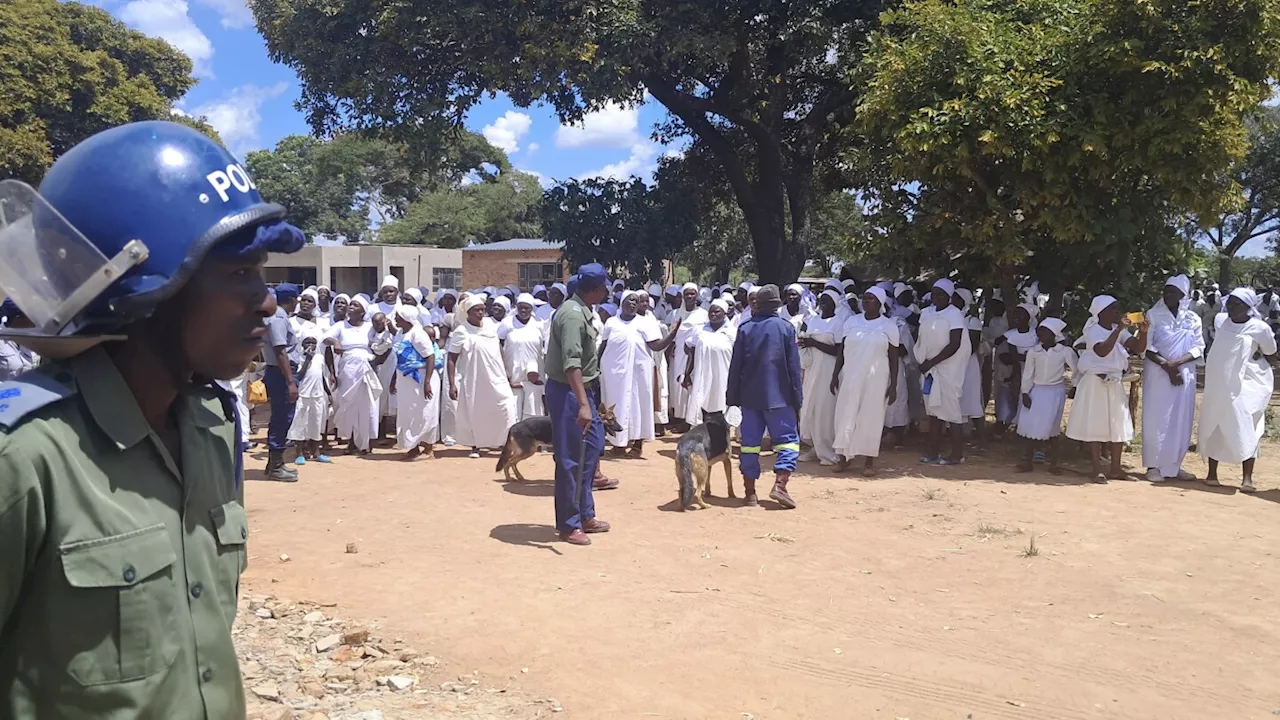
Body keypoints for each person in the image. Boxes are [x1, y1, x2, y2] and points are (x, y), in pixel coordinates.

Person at [0, 120, 304, 717]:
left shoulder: (211, 427)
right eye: (240, 273)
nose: (267, 300)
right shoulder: (27, 458)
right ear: (147, 288)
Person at [544, 264, 612, 545]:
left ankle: (585, 513)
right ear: (595, 290)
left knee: (592, 450)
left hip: (582, 392)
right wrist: (583, 405)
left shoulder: (584, 311)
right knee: (571, 459)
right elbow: (572, 365)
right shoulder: (572, 316)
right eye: (604, 286)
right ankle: (569, 524)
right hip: (570, 392)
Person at [727, 285, 803, 509]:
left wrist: (732, 398)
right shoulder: (786, 329)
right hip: (780, 398)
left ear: (758, 305)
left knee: (749, 445)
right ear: (777, 305)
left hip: (750, 399)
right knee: (788, 443)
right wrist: (797, 398)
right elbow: (793, 368)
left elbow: (735, 367)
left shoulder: (745, 329)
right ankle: (780, 485)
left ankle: (750, 494)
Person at [1199, 288, 1276, 492]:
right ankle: (1212, 474)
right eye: (1230, 303)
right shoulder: (1220, 321)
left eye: (1238, 304)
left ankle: (1247, 478)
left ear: (1248, 307)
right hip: (1219, 383)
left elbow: (1271, 353)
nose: (1232, 308)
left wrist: (1256, 355)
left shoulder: (1260, 328)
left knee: (1246, 423)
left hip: (1247, 384)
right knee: (1217, 421)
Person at [1065, 295, 1148, 481]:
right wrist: (1119, 329)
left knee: (1117, 424)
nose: (1118, 312)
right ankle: (1097, 469)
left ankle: (1116, 468)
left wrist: (1143, 332)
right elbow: (1102, 351)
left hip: (1114, 382)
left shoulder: (1117, 330)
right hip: (1095, 382)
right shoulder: (1093, 330)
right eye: (1114, 309)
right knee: (1095, 423)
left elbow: (1137, 346)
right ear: (1101, 312)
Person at [831, 287, 900, 476]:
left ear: (880, 303)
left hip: (876, 378)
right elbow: (841, 352)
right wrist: (835, 374)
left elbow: (894, 359)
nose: (866, 301)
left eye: (871, 298)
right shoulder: (852, 322)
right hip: (850, 376)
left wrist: (893, 385)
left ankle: (869, 462)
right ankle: (843, 458)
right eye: (865, 298)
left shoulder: (889, 326)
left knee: (871, 417)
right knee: (845, 414)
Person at [601, 291, 680, 457]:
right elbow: (603, 346)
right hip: (614, 374)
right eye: (629, 300)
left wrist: (672, 335)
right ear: (621, 302)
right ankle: (618, 445)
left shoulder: (645, 323)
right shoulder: (611, 323)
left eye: (635, 301)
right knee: (617, 407)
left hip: (639, 373)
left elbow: (656, 346)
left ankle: (637, 446)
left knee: (639, 406)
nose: (633, 303)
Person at [1142, 275, 1205, 482]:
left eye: (1173, 292)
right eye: (1166, 291)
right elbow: (1147, 347)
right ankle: (1153, 466)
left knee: (1180, 419)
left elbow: (1198, 347)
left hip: (1184, 374)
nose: (1168, 295)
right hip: (1158, 374)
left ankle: (1174, 465)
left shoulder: (1193, 319)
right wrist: (1166, 366)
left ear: (1183, 295)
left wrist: (1176, 364)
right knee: (1157, 418)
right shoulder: (1153, 314)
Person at [447, 294, 518, 458]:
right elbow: (452, 358)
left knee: (506, 406)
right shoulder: (461, 331)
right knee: (475, 412)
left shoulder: (490, 327)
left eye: (482, 310)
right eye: (476, 310)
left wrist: (507, 373)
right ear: (468, 313)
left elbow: (498, 349)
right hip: (474, 379)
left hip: (496, 377)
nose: (480, 313)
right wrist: (452, 384)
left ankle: (504, 442)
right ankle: (475, 445)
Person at [916, 279, 971, 465]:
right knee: (933, 410)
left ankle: (957, 454)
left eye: (941, 294)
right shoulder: (926, 313)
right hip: (929, 370)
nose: (936, 297)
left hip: (947, 369)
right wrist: (923, 361)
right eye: (934, 293)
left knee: (952, 411)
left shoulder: (954, 314)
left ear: (949, 296)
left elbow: (954, 344)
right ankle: (933, 451)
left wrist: (932, 362)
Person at [1016, 318, 1076, 474]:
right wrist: (1025, 392)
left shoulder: (1064, 352)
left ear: (1054, 334)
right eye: (1039, 331)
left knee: (1053, 428)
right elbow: (1028, 373)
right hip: (1037, 391)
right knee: (1032, 425)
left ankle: (1054, 463)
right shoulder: (1034, 352)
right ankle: (1027, 461)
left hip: (1054, 392)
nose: (1041, 334)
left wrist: (1075, 386)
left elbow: (1077, 369)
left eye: (1045, 332)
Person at [325, 294, 383, 454]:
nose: (351, 307)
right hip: (348, 371)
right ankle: (351, 441)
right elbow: (325, 338)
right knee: (349, 405)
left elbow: (383, 341)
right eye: (351, 304)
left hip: (367, 370)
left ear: (363, 312)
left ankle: (366, 443)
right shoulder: (340, 326)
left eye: (355, 305)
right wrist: (335, 342)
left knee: (367, 406)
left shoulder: (369, 327)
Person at [798, 290, 842, 465]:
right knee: (810, 409)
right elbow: (804, 342)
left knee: (825, 411)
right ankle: (815, 447)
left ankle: (828, 451)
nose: (823, 303)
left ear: (835, 303)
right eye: (821, 300)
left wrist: (814, 343)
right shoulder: (813, 320)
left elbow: (838, 350)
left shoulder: (838, 323)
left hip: (828, 370)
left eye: (827, 300)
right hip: (812, 370)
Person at [263, 283, 301, 481]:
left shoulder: (279, 315)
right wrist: (290, 382)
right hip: (281, 373)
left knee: (281, 417)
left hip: (280, 372)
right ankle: (276, 466)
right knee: (282, 418)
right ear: (293, 300)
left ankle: (273, 464)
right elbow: (281, 351)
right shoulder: (278, 318)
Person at [390, 305, 439, 460]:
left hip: (421, 378)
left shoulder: (418, 334)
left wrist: (427, 382)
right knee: (408, 413)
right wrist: (393, 380)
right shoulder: (399, 334)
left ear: (407, 318)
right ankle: (413, 448)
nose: (396, 319)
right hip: (405, 381)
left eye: (398, 316)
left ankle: (428, 449)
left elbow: (430, 357)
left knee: (424, 412)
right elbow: (398, 360)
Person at [682, 298, 735, 428]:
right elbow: (692, 353)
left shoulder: (732, 332)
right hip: (703, 375)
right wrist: (687, 374)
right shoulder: (699, 330)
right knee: (701, 403)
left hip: (724, 375)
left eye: (717, 312)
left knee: (722, 404)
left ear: (725, 313)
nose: (713, 314)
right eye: (711, 312)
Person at [499, 293, 547, 421]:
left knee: (533, 411)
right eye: (521, 307)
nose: (524, 310)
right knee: (512, 411)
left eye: (527, 307)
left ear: (532, 309)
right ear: (516, 307)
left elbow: (544, 350)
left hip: (534, 377)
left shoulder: (539, 325)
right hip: (512, 375)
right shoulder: (507, 324)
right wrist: (505, 374)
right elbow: (498, 345)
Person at [287, 335, 334, 465]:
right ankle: (300, 453)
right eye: (308, 343)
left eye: (313, 343)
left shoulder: (320, 358)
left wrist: (328, 392)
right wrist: (307, 359)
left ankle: (316, 452)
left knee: (316, 423)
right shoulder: (298, 358)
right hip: (303, 395)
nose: (311, 345)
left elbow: (321, 376)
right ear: (302, 345)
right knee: (300, 424)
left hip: (318, 395)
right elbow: (299, 375)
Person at [993, 304, 1038, 435]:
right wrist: (1024, 358)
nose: (1016, 317)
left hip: (1036, 372)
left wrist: (1024, 358)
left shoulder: (1036, 334)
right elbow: (1012, 357)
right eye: (1015, 314)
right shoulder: (1011, 335)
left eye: (1021, 314)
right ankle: (1012, 424)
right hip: (1020, 370)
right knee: (1017, 396)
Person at [669, 283, 709, 429]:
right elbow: (672, 335)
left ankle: (692, 419)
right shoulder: (675, 314)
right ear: (683, 296)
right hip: (679, 354)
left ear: (696, 295)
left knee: (694, 384)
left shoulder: (704, 315)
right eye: (687, 294)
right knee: (679, 386)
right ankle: (682, 418)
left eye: (692, 294)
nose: (690, 297)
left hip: (696, 355)